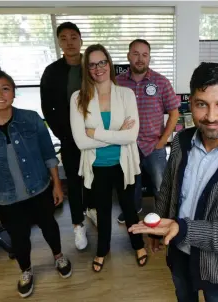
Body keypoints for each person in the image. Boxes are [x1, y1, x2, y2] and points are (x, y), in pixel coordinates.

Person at [129, 62, 218, 302]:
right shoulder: (181, 141)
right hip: (177, 253)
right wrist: (157, 229)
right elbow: (167, 189)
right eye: (201, 104)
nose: (210, 117)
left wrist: (182, 228)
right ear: (190, 104)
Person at [0, 69, 72, 298]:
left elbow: (48, 154)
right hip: (6, 199)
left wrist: (57, 185)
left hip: (40, 190)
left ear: (14, 93)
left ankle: (58, 256)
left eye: (5, 88)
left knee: (50, 228)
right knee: (20, 239)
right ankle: (26, 270)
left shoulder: (31, 118)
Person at [70, 44, 148, 272]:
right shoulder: (78, 98)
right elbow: (81, 142)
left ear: (109, 64)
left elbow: (131, 135)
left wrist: (96, 133)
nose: (98, 68)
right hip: (97, 166)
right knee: (102, 212)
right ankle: (102, 249)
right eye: (92, 64)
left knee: (130, 209)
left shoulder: (126, 94)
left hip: (123, 163)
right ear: (87, 68)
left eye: (102, 62)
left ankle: (138, 245)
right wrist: (117, 135)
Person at [40, 21, 96, 251]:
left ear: (81, 40)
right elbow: (47, 108)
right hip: (69, 137)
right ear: (59, 42)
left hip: (96, 135)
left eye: (74, 37)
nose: (69, 42)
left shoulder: (93, 66)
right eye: (64, 38)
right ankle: (77, 223)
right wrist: (61, 133)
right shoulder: (52, 71)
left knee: (95, 176)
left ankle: (92, 209)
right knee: (74, 181)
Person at [116, 39, 180, 224]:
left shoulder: (161, 81)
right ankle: (133, 209)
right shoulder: (117, 82)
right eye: (135, 54)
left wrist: (163, 140)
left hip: (154, 146)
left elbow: (174, 113)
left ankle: (163, 214)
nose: (140, 58)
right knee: (131, 183)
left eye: (144, 54)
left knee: (161, 184)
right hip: (127, 146)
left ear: (149, 57)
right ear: (128, 55)